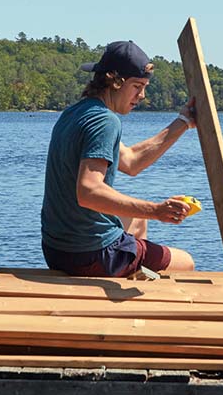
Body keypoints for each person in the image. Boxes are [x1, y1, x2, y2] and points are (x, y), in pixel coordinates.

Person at [41, 40, 198, 277]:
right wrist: (156, 210)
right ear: (114, 81)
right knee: (186, 263)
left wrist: (183, 122)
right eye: (137, 86)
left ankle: (131, 270)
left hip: (56, 250)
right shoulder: (105, 122)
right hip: (89, 256)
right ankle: (126, 273)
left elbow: (132, 161)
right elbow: (89, 191)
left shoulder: (76, 112)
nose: (142, 95)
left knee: (137, 221)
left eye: (144, 86)